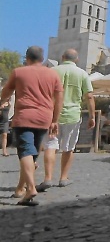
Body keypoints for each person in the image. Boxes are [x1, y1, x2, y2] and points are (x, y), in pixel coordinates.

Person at [0, 46, 63, 206]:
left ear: (27, 58)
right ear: (42, 59)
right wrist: (55, 120)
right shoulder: (52, 74)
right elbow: (59, 98)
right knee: (31, 155)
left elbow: (6, 92)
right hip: (44, 118)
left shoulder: (19, 72)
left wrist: (1, 102)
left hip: (24, 117)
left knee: (25, 152)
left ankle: (31, 189)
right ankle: (20, 189)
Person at [37, 49, 95, 191]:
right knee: (68, 147)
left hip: (52, 115)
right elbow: (89, 96)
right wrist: (92, 116)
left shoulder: (52, 71)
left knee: (50, 145)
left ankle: (48, 178)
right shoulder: (82, 74)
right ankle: (63, 178)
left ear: (62, 57)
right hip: (73, 115)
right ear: (77, 60)